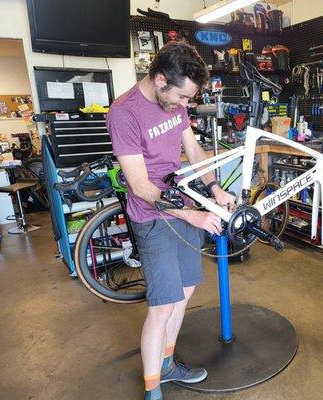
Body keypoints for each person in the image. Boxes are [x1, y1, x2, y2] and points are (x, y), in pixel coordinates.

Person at [107, 41, 235, 400]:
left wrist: (215, 187)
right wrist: (192, 213)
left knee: (185, 292)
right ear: (160, 80)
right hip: (152, 216)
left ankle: (167, 362)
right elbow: (139, 185)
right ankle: (153, 390)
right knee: (162, 305)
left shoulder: (176, 102)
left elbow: (193, 149)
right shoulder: (124, 113)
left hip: (182, 203)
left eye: (188, 100)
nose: (184, 106)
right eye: (181, 97)